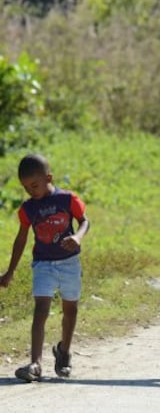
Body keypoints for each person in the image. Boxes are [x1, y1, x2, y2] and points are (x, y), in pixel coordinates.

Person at [0, 154, 90, 382]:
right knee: (40, 310)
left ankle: (64, 352)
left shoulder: (67, 199)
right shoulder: (28, 209)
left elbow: (85, 221)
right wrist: (10, 271)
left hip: (70, 262)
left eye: (35, 185)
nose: (31, 191)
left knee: (70, 309)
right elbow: (20, 239)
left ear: (48, 177)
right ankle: (36, 363)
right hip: (43, 264)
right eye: (26, 187)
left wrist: (78, 237)